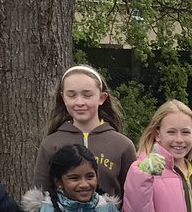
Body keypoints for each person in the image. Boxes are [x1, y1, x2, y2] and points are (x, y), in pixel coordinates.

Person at [32, 65, 138, 203]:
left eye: (87, 95)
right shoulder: (51, 144)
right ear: (63, 98)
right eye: (71, 95)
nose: (79, 102)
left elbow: (133, 199)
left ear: (102, 97)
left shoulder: (122, 145)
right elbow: (40, 198)